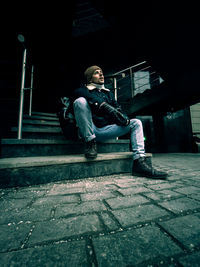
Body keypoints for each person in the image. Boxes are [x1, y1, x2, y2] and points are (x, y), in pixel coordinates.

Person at [73, 65, 168, 179]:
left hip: (104, 130)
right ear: (89, 78)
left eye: (102, 72)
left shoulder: (108, 93)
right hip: (89, 131)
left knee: (136, 123)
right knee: (80, 102)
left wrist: (121, 117)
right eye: (97, 73)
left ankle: (139, 162)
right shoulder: (82, 90)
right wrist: (104, 106)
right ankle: (90, 143)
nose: (101, 74)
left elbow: (117, 109)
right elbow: (81, 97)